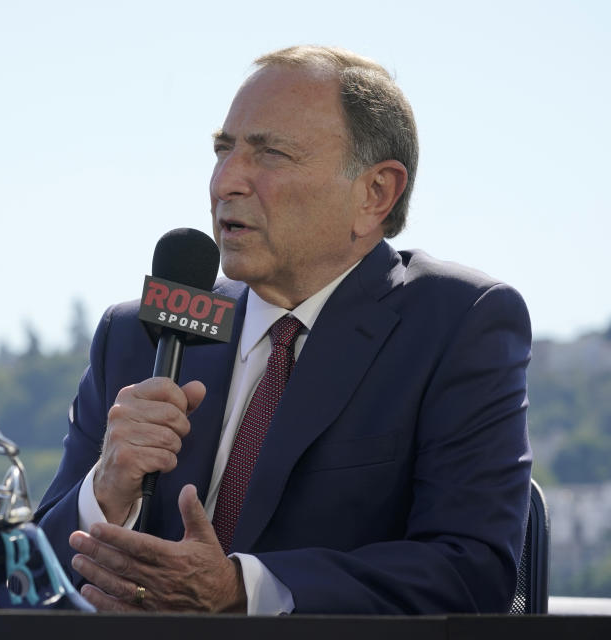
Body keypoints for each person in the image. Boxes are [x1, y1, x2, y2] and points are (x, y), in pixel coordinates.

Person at [34, 45, 532, 615]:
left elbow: (470, 573)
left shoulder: (459, 322)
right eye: (223, 150)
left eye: (269, 154)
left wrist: (241, 590)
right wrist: (105, 493)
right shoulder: (135, 334)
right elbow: (21, 578)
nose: (227, 181)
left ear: (375, 194)